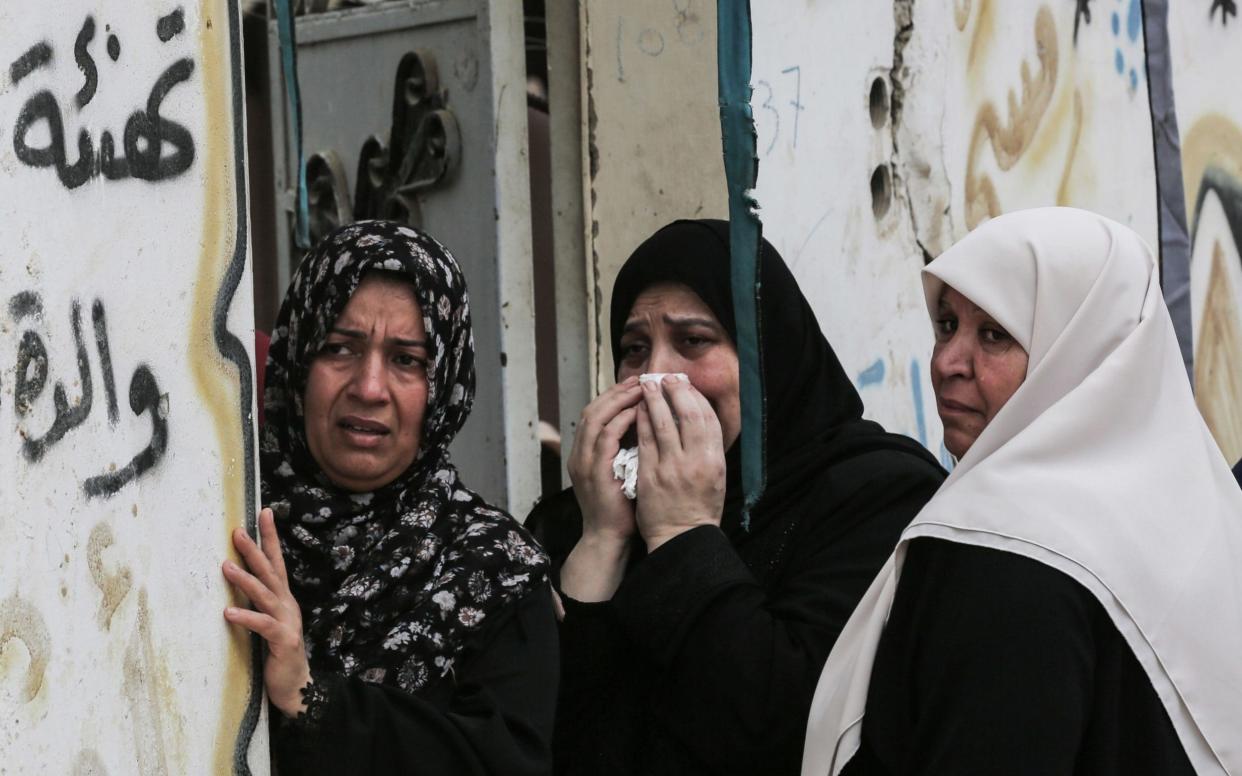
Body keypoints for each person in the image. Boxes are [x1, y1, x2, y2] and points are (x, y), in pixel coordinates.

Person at [802, 207, 1242, 776]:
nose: (946, 363)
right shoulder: (1205, 513)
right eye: (945, 325)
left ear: (1083, 352)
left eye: (994, 334)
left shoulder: (998, 550)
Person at [526, 219, 946, 776]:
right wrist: (602, 538)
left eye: (693, 341)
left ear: (766, 355)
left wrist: (683, 536)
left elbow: (785, 730)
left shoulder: (873, 496)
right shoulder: (579, 516)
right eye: (634, 348)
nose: (656, 376)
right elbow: (537, 733)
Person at [221, 220, 557, 775]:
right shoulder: (226, 527)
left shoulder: (492, 572)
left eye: (407, 360)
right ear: (298, 364)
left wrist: (311, 697)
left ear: (443, 387)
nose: (369, 387)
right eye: (339, 348)